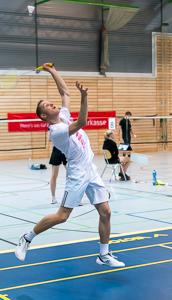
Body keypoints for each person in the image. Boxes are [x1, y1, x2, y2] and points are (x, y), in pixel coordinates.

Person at [15, 63, 125, 268]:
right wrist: (84, 97)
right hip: (77, 173)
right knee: (62, 216)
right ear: (43, 116)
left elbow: (64, 92)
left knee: (106, 212)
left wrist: (52, 71)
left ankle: (104, 254)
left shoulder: (63, 116)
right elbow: (82, 121)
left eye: (50, 102)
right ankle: (27, 238)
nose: (52, 104)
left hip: (90, 169)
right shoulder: (55, 131)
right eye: (47, 105)